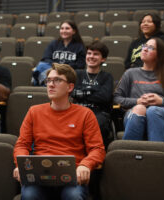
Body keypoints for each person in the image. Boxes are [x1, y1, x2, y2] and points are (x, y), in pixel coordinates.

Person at [13, 63, 105, 200]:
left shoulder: (85, 114)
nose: (50, 84)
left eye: (57, 80)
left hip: (73, 176)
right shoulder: (34, 112)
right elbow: (22, 145)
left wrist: (86, 165)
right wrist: (21, 164)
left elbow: (97, 149)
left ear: (70, 87)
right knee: (29, 196)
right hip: (40, 176)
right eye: (48, 80)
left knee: (73, 196)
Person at [114, 37, 164, 143]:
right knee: (139, 108)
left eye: (150, 48)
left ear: (159, 55)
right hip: (135, 115)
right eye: (144, 46)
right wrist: (137, 101)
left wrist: (162, 101)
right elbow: (116, 98)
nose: (144, 49)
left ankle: (158, 157)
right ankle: (128, 156)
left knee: (153, 110)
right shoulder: (130, 73)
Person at [72, 41, 113, 147]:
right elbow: (72, 92)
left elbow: (105, 97)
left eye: (96, 54)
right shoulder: (77, 74)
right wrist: (94, 90)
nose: (91, 56)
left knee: (94, 125)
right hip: (77, 110)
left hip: (99, 113)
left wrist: (82, 92)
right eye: (89, 53)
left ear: (103, 59)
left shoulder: (107, 76)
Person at [32, 20, 86, 85]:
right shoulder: (53, 44)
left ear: (74, 31)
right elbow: (46, 58)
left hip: (68, 72)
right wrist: (56, 67)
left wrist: (63, 67)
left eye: (67, 28)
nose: (64, 31)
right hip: (53, 69)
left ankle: (47, 84)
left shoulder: (80, 46)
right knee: (41, 65)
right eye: (62, 28)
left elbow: (80, 64)